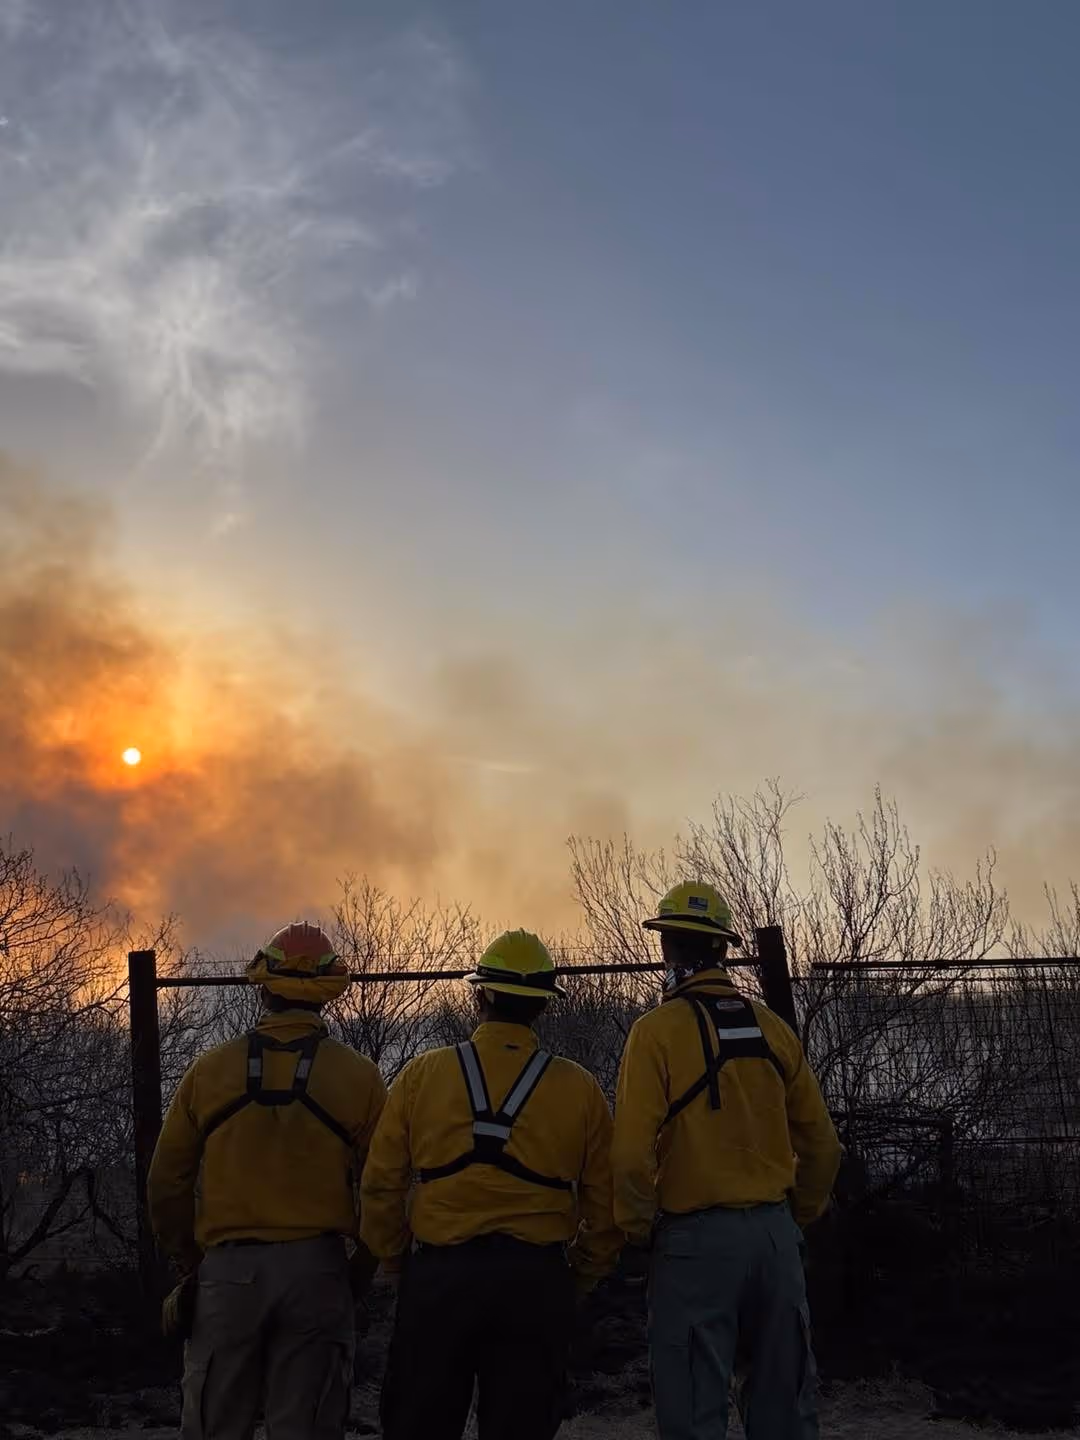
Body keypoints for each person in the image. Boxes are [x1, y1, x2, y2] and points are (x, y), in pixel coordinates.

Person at [361, 930, 622, 1440]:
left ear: (479, 995)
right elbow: (606, 1203)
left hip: (439, 1278)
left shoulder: (421, 1075)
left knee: (419, 1423)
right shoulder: (579, 1088)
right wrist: (582, 1273)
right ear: (544, 1006)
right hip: (535, 1281)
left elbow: (380, 1184)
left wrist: (394, 1262)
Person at [611, 883, 841, 1440]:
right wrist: (795, 1218)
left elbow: (629, 1155)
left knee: (693, 1411)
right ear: (723, 949)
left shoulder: (654, 1033)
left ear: (666, 947)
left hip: (693, 1244)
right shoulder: (773, 1029)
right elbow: (823, 1145)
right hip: (774, 1237)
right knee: (785, 1410)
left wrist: (640, 1229)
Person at [148, 921, 387, 1440]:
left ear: (263, 987)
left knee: (214, 1425)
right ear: (329, 992)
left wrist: (192, 1261)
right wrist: (361, 1270)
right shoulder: (360, 1077)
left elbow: (166, 1181)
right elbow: (383, 1188)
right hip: (318, 1274)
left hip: (227, 1274)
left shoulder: (209, 1072)